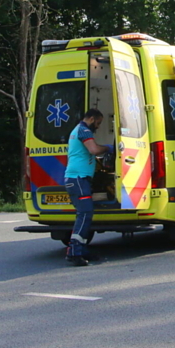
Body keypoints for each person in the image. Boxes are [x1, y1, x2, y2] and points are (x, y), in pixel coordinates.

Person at [64, 109, 113, 266]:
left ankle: (82, 249)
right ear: (91, 119)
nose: (97, 127)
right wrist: (107, 148)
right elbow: (94, 150)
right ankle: (74, 252)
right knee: (85, 213)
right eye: (98, 123)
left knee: (86, 213)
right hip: (77, 178)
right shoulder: (84, 130)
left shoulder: (77, 130)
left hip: (78, 178)